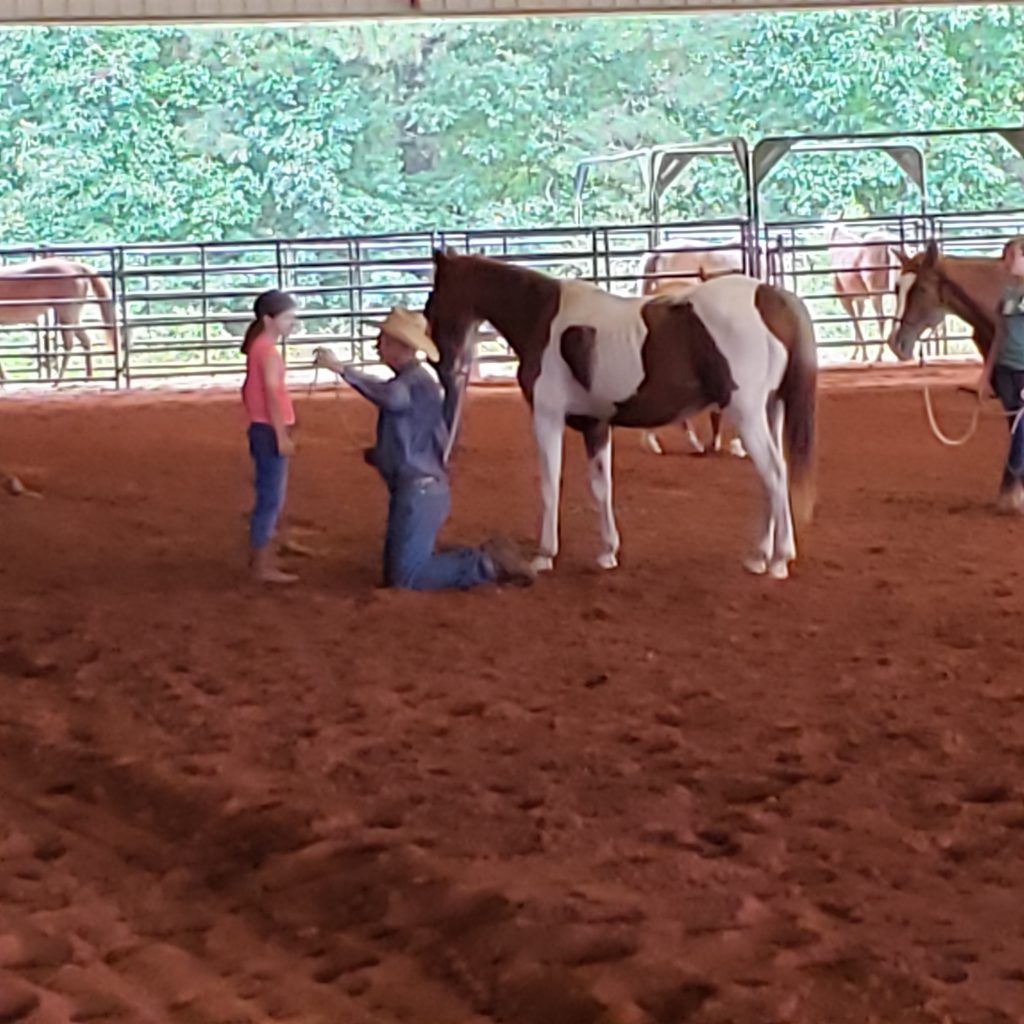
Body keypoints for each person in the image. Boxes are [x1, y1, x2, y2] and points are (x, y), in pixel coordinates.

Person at [314, 307, 534, 590]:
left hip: (418, 488)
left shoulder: (411, 382)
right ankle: (480, 559)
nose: (376, 345)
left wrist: (343, 370)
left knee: (406, 576)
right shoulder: (419, 380)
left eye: (383, 339)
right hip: (421, 486)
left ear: (399, 346)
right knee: (400, 570)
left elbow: (392, 399)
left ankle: (484, 564)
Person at [241, 289, 300, 583]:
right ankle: (262, 562)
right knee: (271, 496)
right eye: (288, 318)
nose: (292, 322)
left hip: (261, 427)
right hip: (269, 429)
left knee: (269, 492)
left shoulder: (258, 348)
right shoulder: (268, 351)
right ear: (269, 319)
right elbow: (272, 396)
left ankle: (265, 551)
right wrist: (282, 434)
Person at [978, 237, 1024, 514]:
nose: (1006, 262)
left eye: (1012, 255)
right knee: (1016, 428)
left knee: (1021, 428)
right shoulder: (1007, 295)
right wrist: (986, 374)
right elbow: (999, 334)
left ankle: (1011, 486)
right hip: (1006, 369)